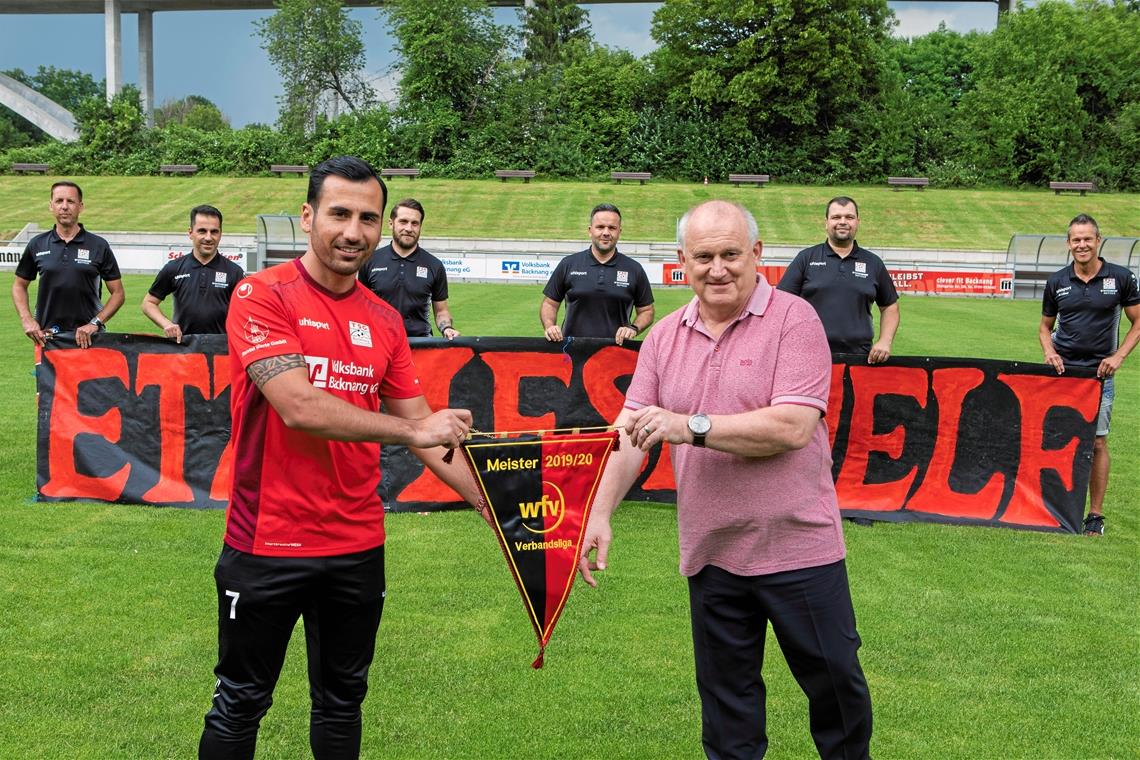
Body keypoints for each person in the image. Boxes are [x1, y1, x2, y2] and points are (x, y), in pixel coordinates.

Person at [198, 156, 483, 759]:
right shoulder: (260, 295)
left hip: (356, 546)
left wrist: (497, 507)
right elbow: (300, 406)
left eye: (368, 218)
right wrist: (415, 433)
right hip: (266, 544)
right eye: (339, 214)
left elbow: (424, 429)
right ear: (307, 217)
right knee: (241, 701)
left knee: (342, 701)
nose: (354, 231)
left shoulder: (384, 320)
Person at [579, 200, 873, 760]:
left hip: (800, 548)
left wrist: (688, 427)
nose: (718, 269)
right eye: (704, 256)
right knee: (727, 710)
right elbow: (629, 434)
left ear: (758, 255)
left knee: (837, 690)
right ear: (681, 261)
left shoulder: (794, 319)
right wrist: (599, 510)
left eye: (731, 254)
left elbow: (790, 427)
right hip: (711, 553)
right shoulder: (664, 337)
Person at [1039, 213, 1140, 537]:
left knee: (1096, 442)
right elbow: (1044, 328)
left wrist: (1118, 356)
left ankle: (1094, 516)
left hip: (1099, 376)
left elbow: (1138, 322)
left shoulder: (1120, 278)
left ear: (1098, 241)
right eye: (1076, 239)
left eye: (1087, 238)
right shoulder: (1057, 282)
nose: (1082, 244)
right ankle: (1053, 509)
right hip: (1063, 374)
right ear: (1069, 244)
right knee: (1055, 441)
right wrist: (1049, 352)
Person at [778, 196, 899, 363]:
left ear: (858, 222)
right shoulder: (806, 258)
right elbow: (781, 304)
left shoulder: (873, 263)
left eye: (849, 217)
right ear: (826, 222)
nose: (843, 222)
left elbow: (890, 306)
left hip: (860, 358)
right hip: (809, 357)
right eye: (836, 217)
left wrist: (885, 341)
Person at [12, 180, 125, 350]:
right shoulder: (37, 244)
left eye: (70, 201)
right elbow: (19, 285)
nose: (64, 207)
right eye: (59, 201)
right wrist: (26, 319)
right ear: (51, 206)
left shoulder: (98, 245)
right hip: (48, 337)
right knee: (52, 378)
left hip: (89, 337)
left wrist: (95, 323)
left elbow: (118, 293)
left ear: (81, 206)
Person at [541, 203, 654, 345]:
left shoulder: (634, 269)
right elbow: (549, 303)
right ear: (590, 230)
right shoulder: (569, 264)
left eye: (612, 228)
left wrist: (633, 328)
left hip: (615, 353)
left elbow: (647, 311)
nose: (606, 232)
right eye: (600, 227)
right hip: (572, 352)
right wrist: (550, 326)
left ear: (619, 231)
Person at [141, 204, 245, 342]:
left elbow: (248, 312)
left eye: (214, 231)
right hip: (184, 350)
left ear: (220, 234)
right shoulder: (174, 268)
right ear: (190, 233)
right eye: (202, 231)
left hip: (221, 350)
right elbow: (148, 303)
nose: (208, 237)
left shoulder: (234, 272)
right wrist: (167, 324)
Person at [360, 198, 459, 339]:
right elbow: (359, 307)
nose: (409, 228)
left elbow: (441, 311)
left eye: (415, 223)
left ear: (420, 227)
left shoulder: (434, 265)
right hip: (380, 343)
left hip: (420, 345)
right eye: (403, 221)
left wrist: (447, 328)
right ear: (391, 223)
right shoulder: (370, 261)